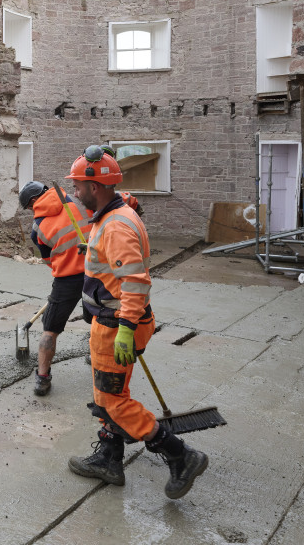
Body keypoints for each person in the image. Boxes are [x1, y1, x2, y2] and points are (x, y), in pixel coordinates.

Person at [64, 145, 208, 499]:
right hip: (115, 323)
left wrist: (126, 328)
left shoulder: (116, 226)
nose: (75, 192)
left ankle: (180, 454)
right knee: (105, 394)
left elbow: (135, 280)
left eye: (79, 186)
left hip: (118, 327)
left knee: (114, 401)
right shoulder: (116, 214)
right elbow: (122, 263)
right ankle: (109, 459)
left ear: (95, 187)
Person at [20, 177, 144, 397]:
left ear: (32, 204)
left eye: (29, 207)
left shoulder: (37, 227)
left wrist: (64, 263)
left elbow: (48, 260)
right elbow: (119, 204)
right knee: (96, 319)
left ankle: (42, 378)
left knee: (50, 329)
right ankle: (94, 355)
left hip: (66, 280)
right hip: (94, 273)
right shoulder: (77, 201)